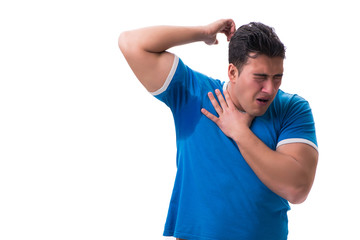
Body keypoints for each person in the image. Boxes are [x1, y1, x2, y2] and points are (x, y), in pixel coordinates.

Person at [118, 19, 318, 240]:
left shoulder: (292, 108)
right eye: (260, 78)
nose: (269, 89)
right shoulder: (194, 94)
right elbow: (130, 43)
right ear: (232, 72)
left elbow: (297, 188)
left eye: (277, 78)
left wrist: (239, 132)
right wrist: (203, 33)